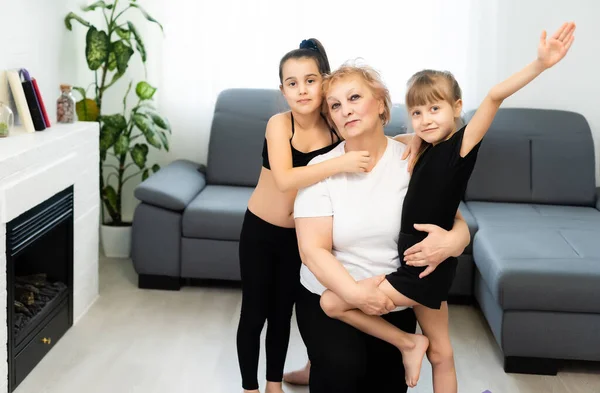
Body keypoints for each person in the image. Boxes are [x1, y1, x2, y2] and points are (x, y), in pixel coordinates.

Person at [317, 21, 576, 393]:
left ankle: (408, 343)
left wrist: (539, 63)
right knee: (442, 353)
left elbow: (493, 97)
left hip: (423, 268)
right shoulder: (420, 146)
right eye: (418, 113)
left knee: (331, 302)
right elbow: (390, 140)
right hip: (417, 261)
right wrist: (412, 136)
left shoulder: (460, 147)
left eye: (435, 109)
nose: (426, 120)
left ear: (456, 108)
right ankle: (417, 347)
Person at [236, 38, 418, 393]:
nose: (302, 90)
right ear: (282, 90)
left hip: (296, 232)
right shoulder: (280, 124)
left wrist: (414, 139)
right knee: (256, 311)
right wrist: (342, 163)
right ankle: (250, 387)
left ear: (322, 84)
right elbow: (287, 178)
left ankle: (277, 383)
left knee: (284, 312)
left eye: (310, 81)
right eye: (292, 83)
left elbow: (370, 133)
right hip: (261, 229)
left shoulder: (334, 124)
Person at [293, 62, 472, 393]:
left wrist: (453, 242)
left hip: (391, 299)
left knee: (386, 383)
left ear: (380, 103)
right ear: (330, 117)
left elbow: (454, 222)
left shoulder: (412, 158)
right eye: (335, 105)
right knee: (344, 369)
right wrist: (356, 294)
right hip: (330, 297)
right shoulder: (322, 169)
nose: (345, 110)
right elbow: (312, 250)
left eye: (355, 98)